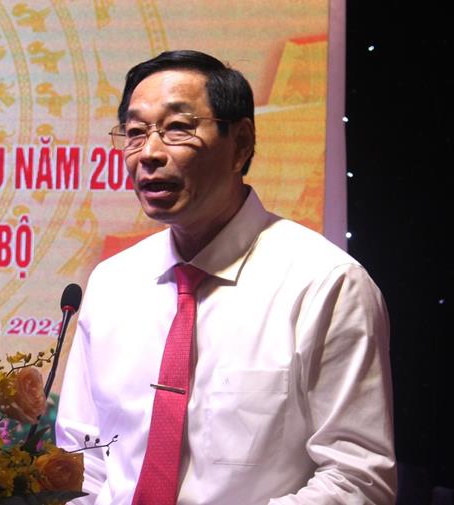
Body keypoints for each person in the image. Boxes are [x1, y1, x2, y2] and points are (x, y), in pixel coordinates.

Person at [55, 49, 396, 504]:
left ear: (242, 144)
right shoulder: (113, 282)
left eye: (178, 128)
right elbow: (85, 465)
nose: (149, 153)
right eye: (135, 133)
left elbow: (358, 480)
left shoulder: (324, 284)